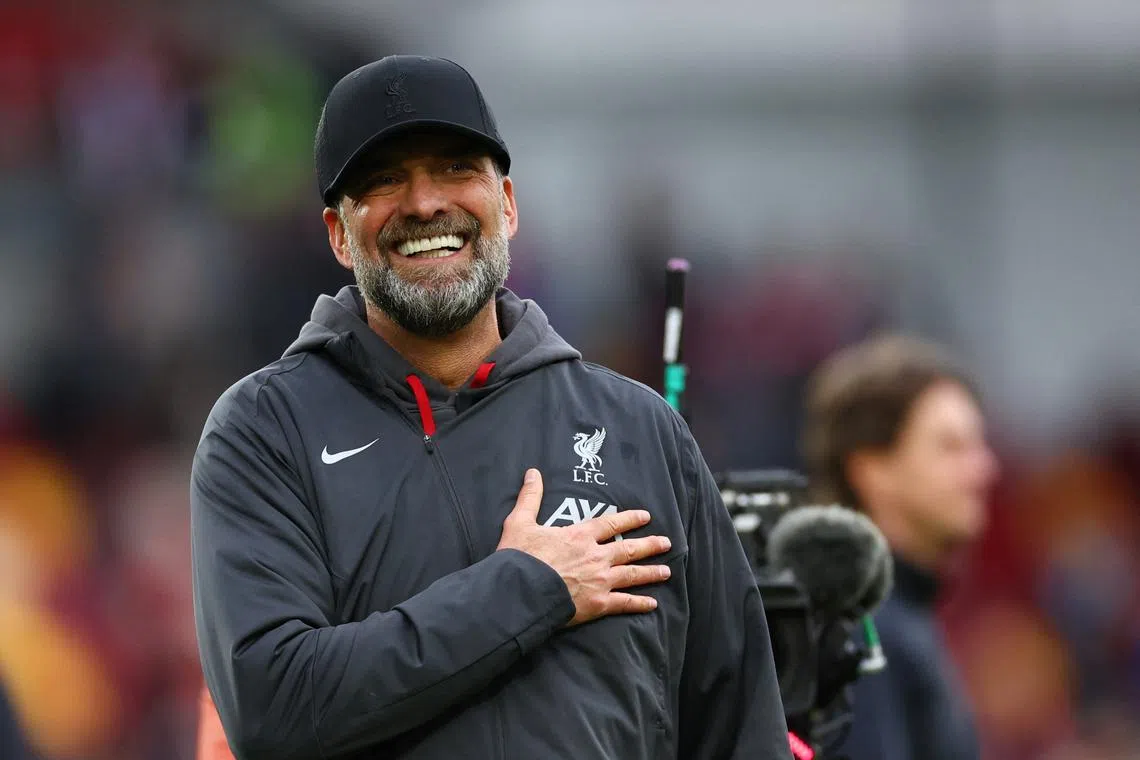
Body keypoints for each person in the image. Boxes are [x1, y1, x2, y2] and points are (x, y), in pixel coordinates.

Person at [190, 54, 791, 760]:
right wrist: (527, 589)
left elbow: (737, 723)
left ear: (506, 203)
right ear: (337, 235)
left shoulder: (639, 429)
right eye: (383, 180)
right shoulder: (265, 431)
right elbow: (273, 704)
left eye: (453, 169)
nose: (422, 203)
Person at [801, 333, 999, 760]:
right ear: (872, 470)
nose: (984, 468)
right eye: (951, 447)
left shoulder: (898, 612)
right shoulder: (861, 628)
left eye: (979, 445)